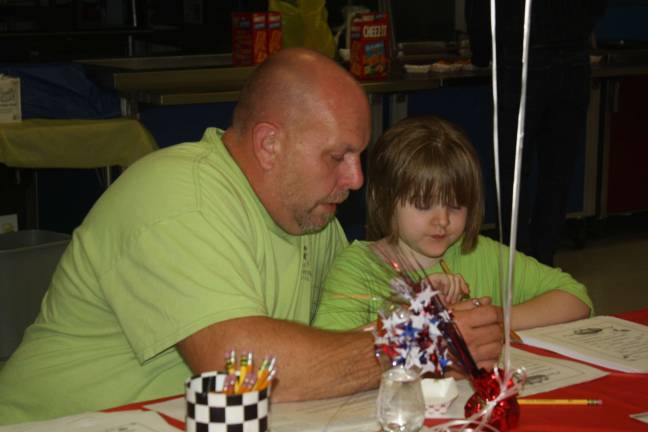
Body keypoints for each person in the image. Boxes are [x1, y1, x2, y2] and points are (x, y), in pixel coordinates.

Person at [0, 50, 503, 425]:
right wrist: (420, 341)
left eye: (359, 157)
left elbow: (345, 331)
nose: (356, 179)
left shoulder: (312, 217)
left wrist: (424, 311)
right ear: (269, 144)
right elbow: (236, 366)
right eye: (338, 157)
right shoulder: (179, 197)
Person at [314, 116, 592, 346]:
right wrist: (415, 316)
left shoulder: (479, 253)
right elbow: (330, 349)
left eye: (456, 206)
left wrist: (493, 317)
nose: (442, 221)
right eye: (424, 205)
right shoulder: (359, 268)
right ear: (386, 199)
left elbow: (576, 299)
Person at [465, 0, 607, 266]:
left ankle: (516, 263)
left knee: (511, 174)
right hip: (573, 61)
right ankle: (543, 260)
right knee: (557, 174)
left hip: (520, 60)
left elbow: (481, 8)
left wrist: (481, 54)